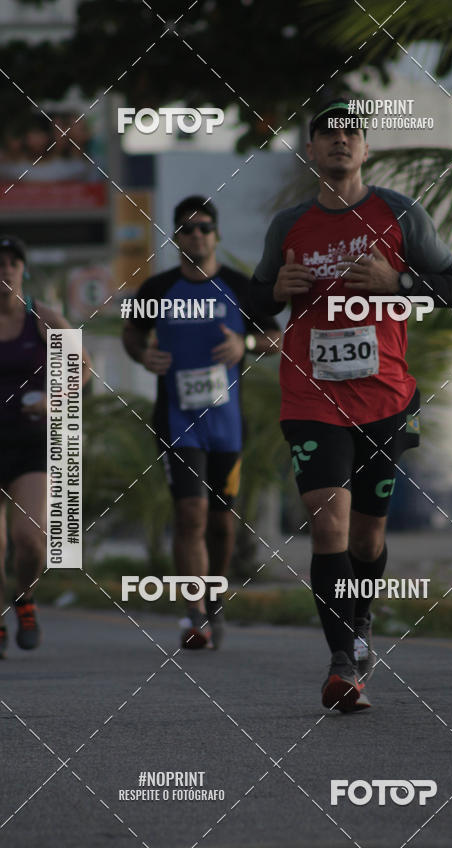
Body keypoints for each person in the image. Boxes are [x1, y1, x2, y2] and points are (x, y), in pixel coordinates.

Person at [252, 99, 452, 711]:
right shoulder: (288, 225)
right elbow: (255, 302)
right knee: (329, 523)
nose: (339, 140)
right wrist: (275, 291)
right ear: (311, 152)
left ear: (365, 149)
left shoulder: (400, 213)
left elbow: (451, 289)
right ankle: (343, 664)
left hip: (384, 399)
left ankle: (361, 618)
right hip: (312, 397)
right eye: (327, 134)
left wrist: (399, 283)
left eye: (351, 133)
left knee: (368, 539)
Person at [122, 197, 281, 650]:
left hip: (226, 424)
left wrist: (245, 344)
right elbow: (131, 333)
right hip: (177, 420)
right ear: (175, 237)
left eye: (204, 228)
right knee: (189, 514)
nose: (196, 236)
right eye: (187, 229)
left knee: (221, 523)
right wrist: (143, 355)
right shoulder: (157, 289)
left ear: (217, 235)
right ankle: (194, 616)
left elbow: (276, 336)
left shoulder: (239, 287)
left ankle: (213, 601)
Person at [0, 235, 91, 659]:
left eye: (13, 262)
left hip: (32, 443)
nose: (5, 269)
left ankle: (24, 599)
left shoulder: (43, 318)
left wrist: (54, 400)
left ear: (23, 270)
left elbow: (83, 367)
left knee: (30, 539)